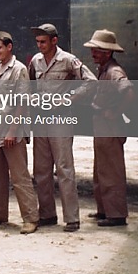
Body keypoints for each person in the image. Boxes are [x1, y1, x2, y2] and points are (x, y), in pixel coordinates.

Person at [29, 23, 96, 232]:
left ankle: (72, 218)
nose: (40, 45)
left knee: (64, 169)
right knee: (41, 171)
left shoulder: (67, 60)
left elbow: (91, 81)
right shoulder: (35, 61)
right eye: (38, 42)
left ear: (54, 41)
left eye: (43, 42)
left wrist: (69, 99)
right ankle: (47, 214)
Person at [0, 30, 40, 234]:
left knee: (20, 176)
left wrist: (13, 130)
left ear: (9, 47)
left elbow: (22, 102)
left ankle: (30, 218)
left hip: (12, 130)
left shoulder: (18, 69)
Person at [84, 29, 134, 227]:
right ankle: (104, 210)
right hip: (103, 128)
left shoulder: (114, 71)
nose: (93, 53)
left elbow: (129, 92)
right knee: (101, 171)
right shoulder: (104, 69)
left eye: (97, 50)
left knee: (111, 172)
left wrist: (115, 112)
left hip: (110, 128)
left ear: (107, 52)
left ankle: (116, 215)